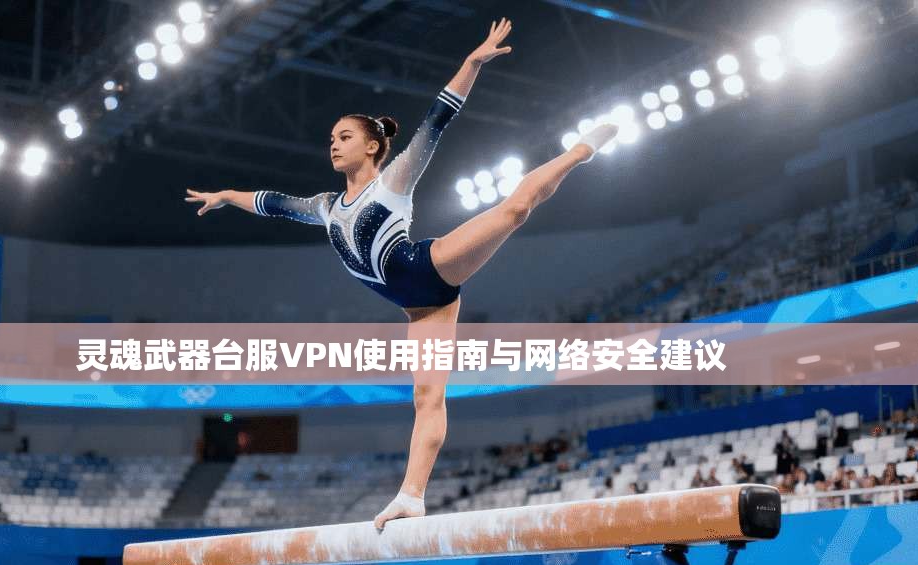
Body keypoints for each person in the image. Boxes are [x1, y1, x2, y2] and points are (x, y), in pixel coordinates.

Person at [184, 18, 620, 530]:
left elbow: (437, 119)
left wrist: (472, 62)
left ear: (372, 146)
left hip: (430, 266)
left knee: (515, 210)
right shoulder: (326, 206)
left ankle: (579, 152)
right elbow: (273, 202)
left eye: (344, 136)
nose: (333, 144)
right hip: (421, 309)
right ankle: (412, 496)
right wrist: (225, 196)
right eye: (331, 138)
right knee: (426, 398)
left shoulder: (394, 180)